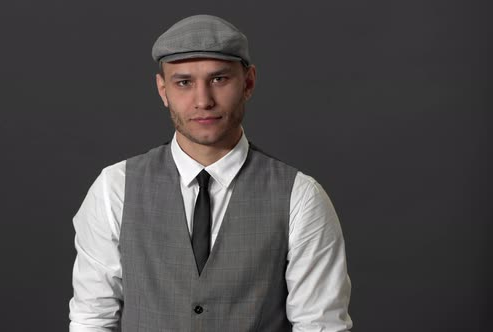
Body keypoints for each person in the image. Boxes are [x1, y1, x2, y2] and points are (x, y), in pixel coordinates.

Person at [69, 14, 353, 331]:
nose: (203, 101)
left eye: (219, 79)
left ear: (248, 83)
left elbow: (320, 325)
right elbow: (91, 318)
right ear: (163, 90)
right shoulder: (115, 188)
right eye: (184, 82)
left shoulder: (299, 196)